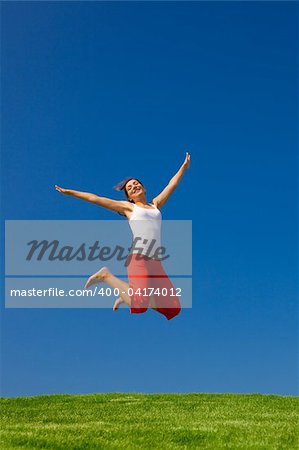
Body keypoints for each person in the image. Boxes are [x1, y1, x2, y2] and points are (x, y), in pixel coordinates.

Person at [55, 151, 191, 320]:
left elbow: (172, 185)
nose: (134, 186)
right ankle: (105, 275)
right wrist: (71, 192)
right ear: (129, 197)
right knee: (139, 306)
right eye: (130, 188)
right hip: (138, 258)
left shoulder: (155, 205)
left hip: (156, 261)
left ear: (144, 187)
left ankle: (127, 294)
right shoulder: (129, 208)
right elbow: (95, 198)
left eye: (136, 183)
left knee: (173, 309)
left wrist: (183, 168)